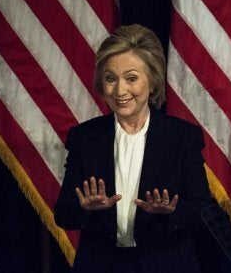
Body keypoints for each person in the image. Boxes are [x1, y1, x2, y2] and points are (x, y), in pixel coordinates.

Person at [54, 24, 211, 273]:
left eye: (131, 78)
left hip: (165, 263)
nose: (119, 90)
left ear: (152, 81)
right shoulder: (84, 137)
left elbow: (203, 210)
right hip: (101, 264)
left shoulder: (182, 137)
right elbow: (63, 214)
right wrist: (87, 209)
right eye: (110, 79)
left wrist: (171, 211)